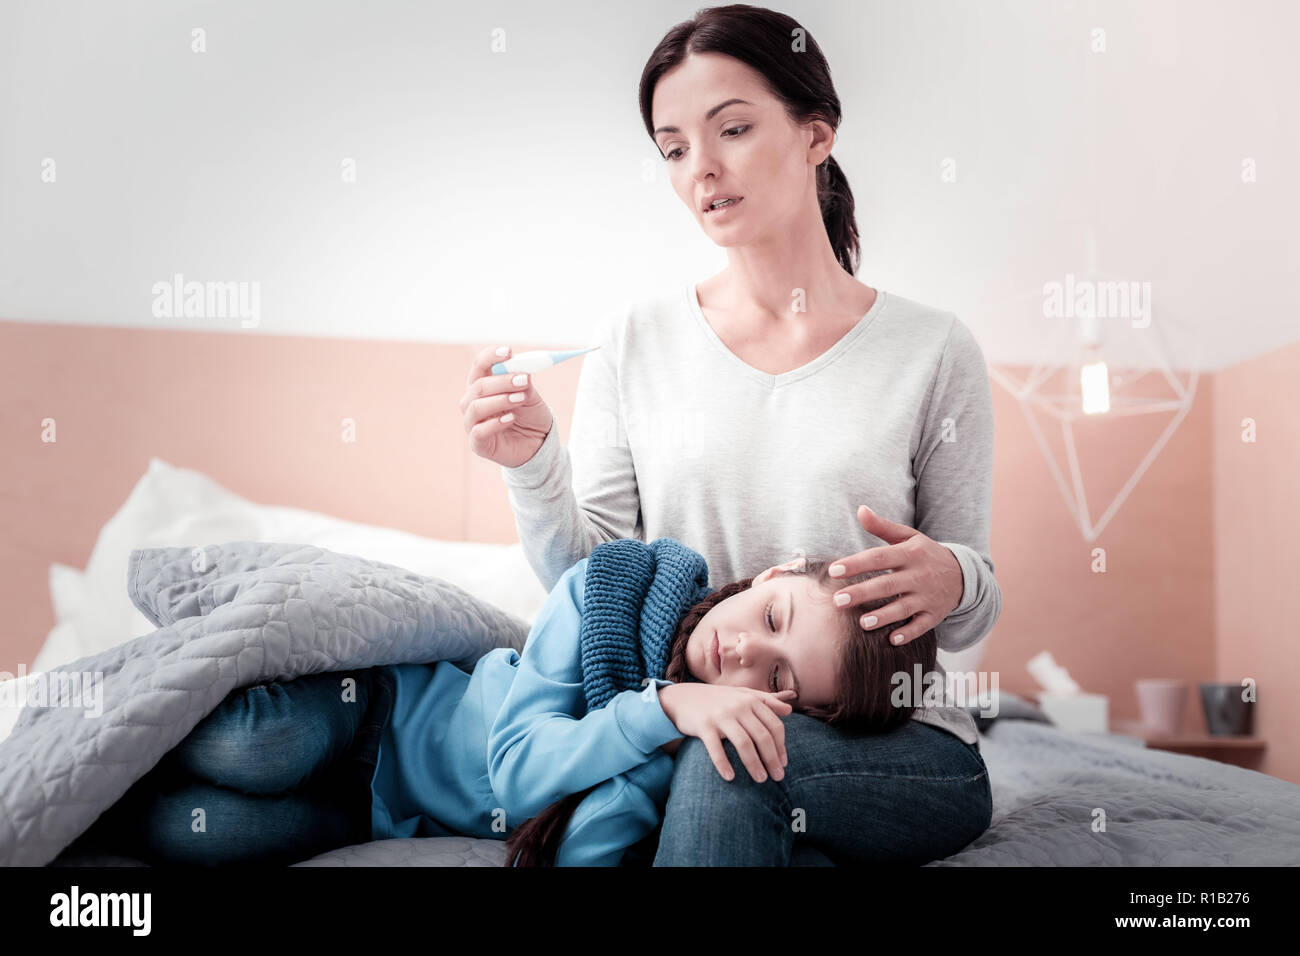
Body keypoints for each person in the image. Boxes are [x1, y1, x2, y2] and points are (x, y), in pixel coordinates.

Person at [460, 4, 1000, 865]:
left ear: (816, 134)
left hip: (892, 736)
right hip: (696, 711)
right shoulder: (635, 340)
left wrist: (955, 578)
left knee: (736, 759)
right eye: (674, 148)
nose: (701, 170)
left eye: (734, 129)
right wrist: (533, 468)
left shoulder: (932, 350)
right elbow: (592, 584)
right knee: (729, 744)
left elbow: (965, 616)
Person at [66, 539, 949, 868]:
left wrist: (661, 746)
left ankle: (94, 800)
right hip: (373, 713)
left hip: (369, 812)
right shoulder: (609, 593)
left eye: (778, 682)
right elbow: (520, 770)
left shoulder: (685, 766)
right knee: (262, 747)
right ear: (775, 572)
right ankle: (99, 721)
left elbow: (558, 836)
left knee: (190, 832)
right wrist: (661, 708)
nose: (747, 650)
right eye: (774, 616)